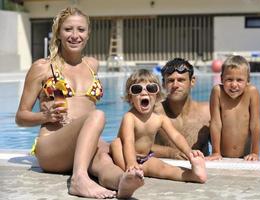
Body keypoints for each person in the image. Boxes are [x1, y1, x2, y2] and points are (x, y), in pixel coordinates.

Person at [15, 7, 143, 199]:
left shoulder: (92, 65)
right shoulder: (42, 67)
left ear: (88, 33)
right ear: (58, 32)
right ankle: (79, 179)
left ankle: (123, 182)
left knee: (104, 162)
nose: (75, 35)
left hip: (83, 145)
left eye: (80, 30)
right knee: (97, 115)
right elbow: (20, 117)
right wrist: (45, 116)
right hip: (53, 146)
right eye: (68, 29)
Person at [110, 69, 207, 183]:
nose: (144, 93)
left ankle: (194, 175)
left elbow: (176, 137)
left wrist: (189, 153)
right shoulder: (130, 117)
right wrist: (131, 162)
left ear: (157, 95)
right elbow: (128, 141)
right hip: (125, 156)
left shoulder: (159, 119)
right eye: (137, 89)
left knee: (164, 169)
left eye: (151, 88)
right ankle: (130, 172)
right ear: (131, 97)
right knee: (115, 144)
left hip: (145, 158)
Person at [152, 58, 210, 159]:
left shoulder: (208, 112)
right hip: (167, 170)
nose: (175, 85)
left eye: (181, 80)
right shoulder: (154, 112)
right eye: (170, 81)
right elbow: (137, 146)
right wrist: (171, 153)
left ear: (192, 81)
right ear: (163, 84)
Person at [206, 55, 260, 161]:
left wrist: (255, 153)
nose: (234, 84)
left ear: (248, 80)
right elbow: (215, 123)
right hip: (222, 155)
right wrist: (215, 152)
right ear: (221, 78)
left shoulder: (252, 92)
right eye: (229, 79)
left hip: (246, 156)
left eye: (239, 80)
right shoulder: (217, 92)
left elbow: (255, 125)